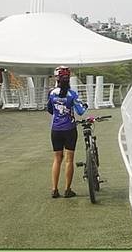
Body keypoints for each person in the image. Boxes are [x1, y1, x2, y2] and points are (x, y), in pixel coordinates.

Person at [47, 66, 88, 198]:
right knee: (69, 160)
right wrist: (85, 106)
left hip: (55, 129)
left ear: (56, 78)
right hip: (69, 129)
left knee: (57, 159)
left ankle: (54, 189)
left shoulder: (52, 93)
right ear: (68, 78)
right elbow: (80, 111)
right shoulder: (72, 94)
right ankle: (67, 190)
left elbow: (50, 110)